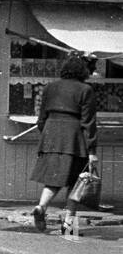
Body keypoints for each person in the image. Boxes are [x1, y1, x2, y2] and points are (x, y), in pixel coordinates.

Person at [30, 53, 98, 238]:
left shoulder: (50, 87)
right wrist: (91, 150)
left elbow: (41, 120)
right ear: (83, 71)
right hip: (74, 139)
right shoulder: (86, 90)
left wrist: (49, 135)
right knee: (77, 183)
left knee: (53, 178)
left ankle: (41, 206)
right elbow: (88, 123)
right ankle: (68, 229)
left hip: (51, 136)